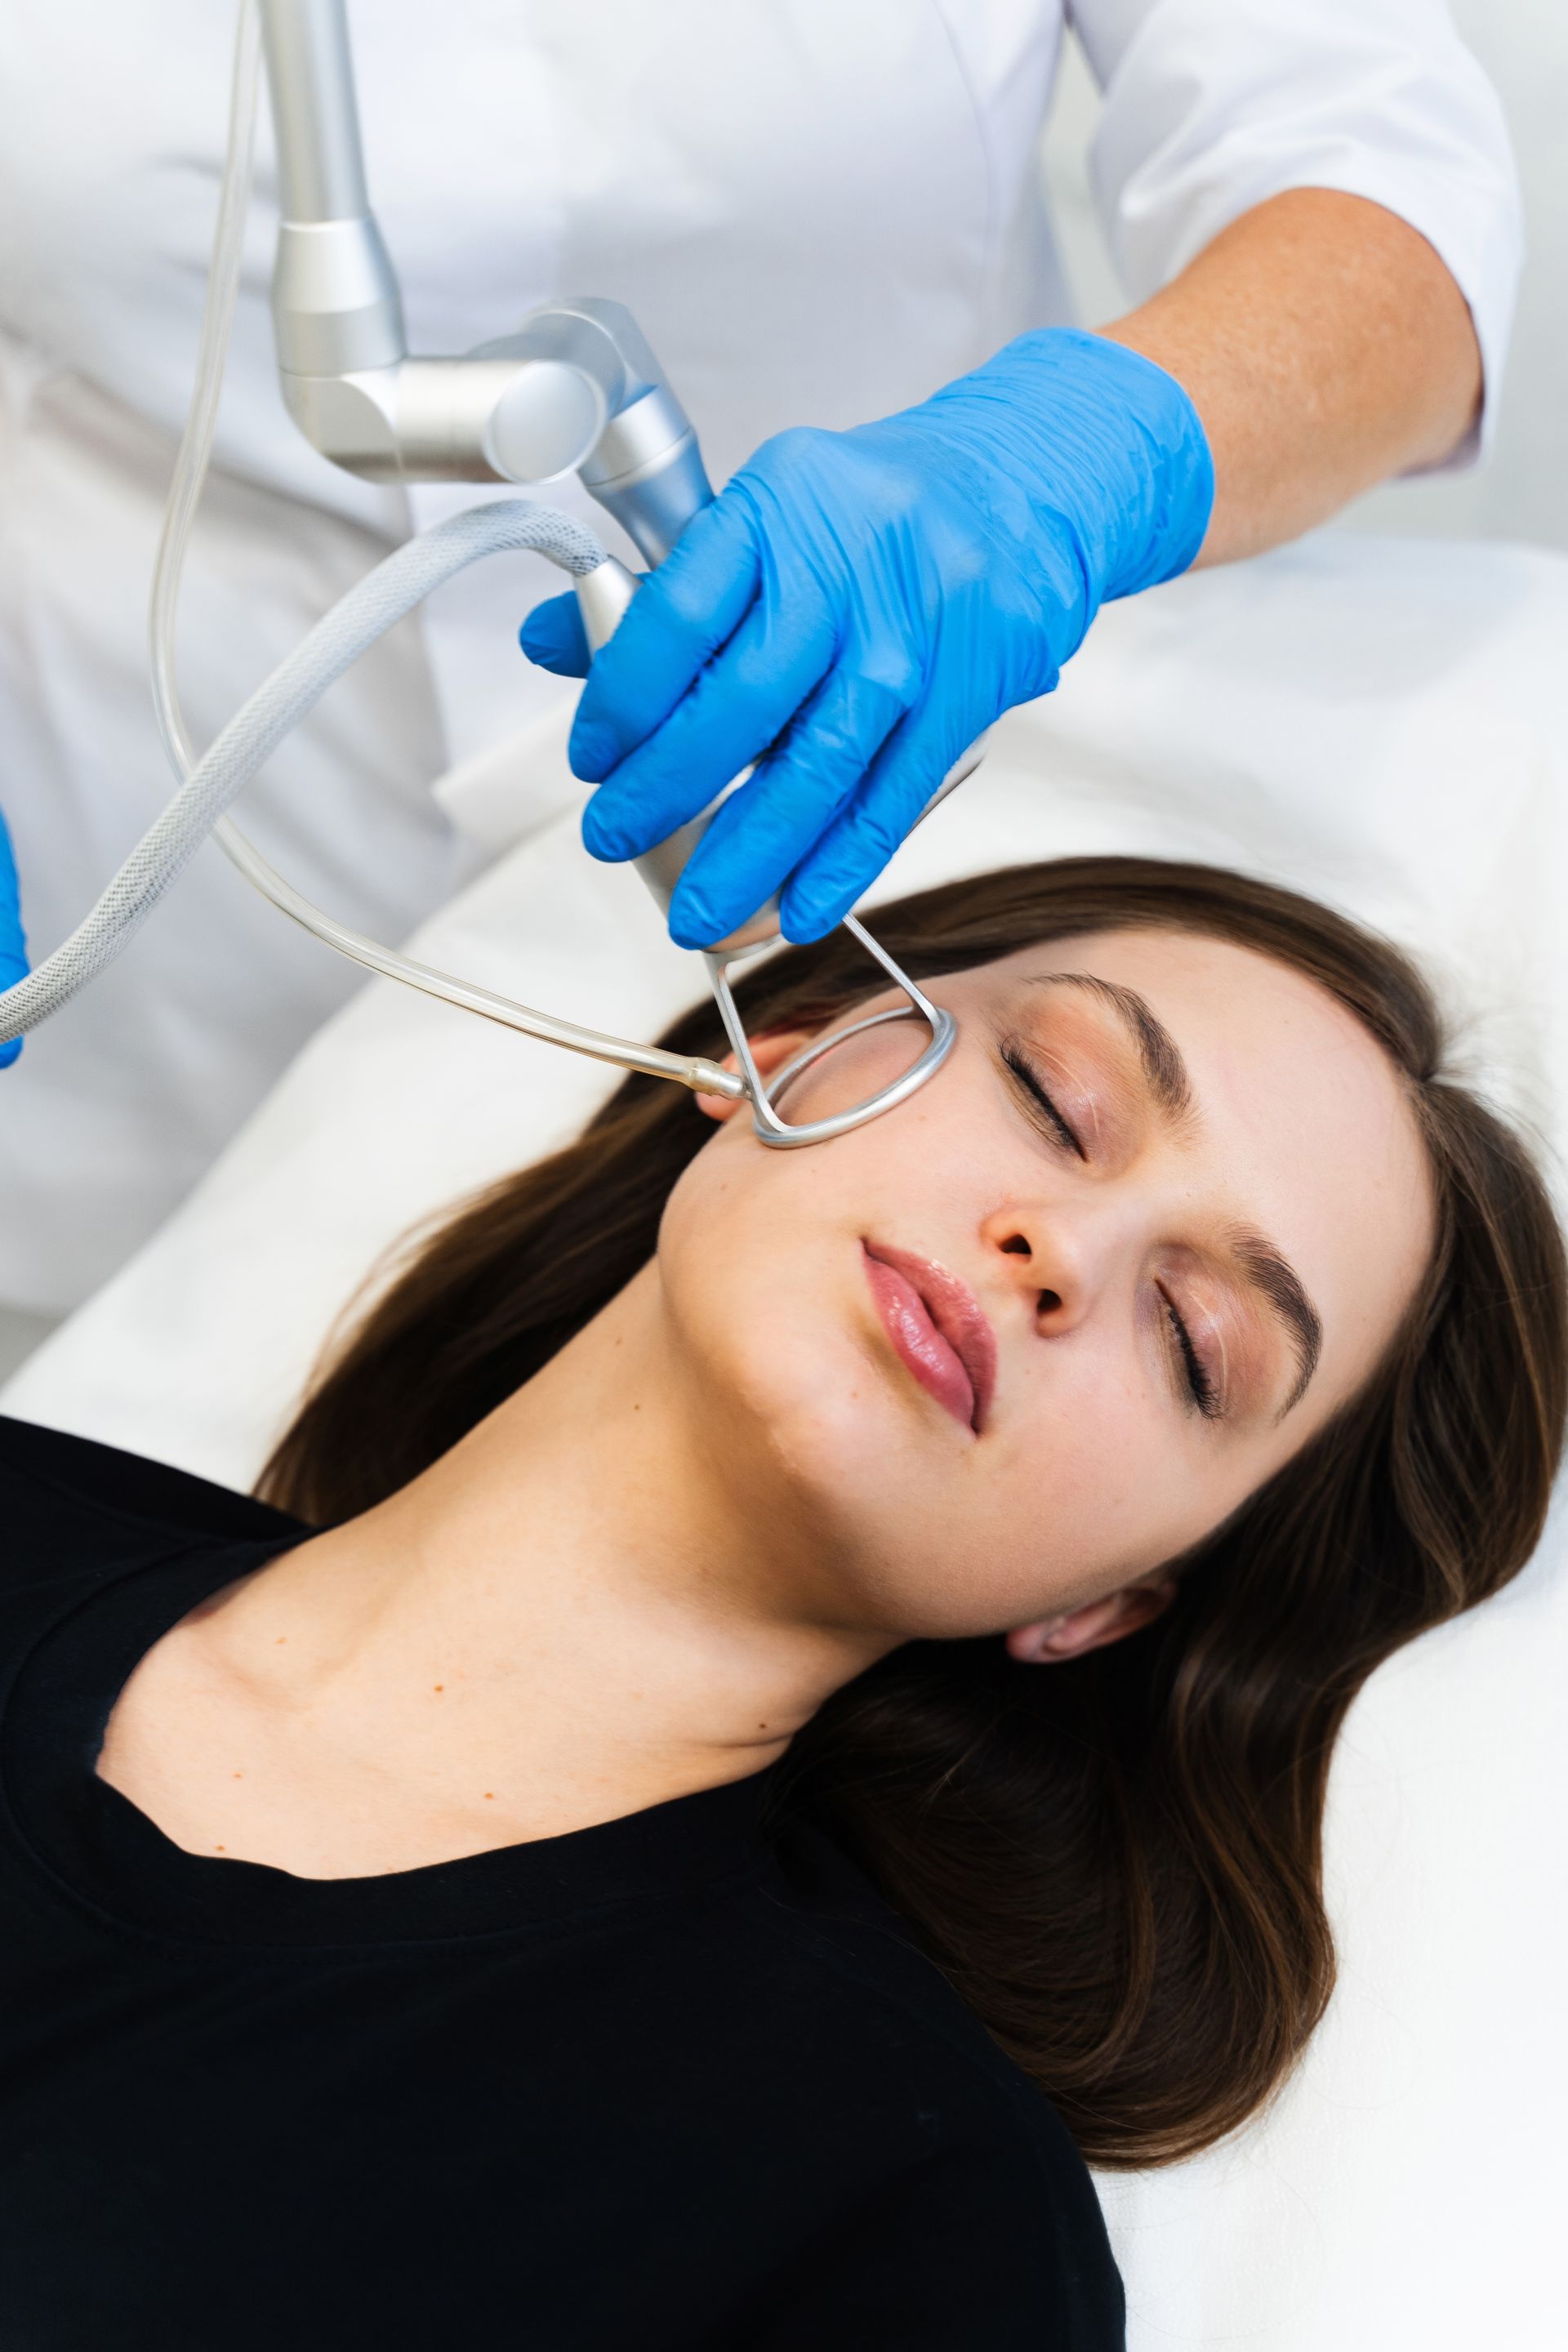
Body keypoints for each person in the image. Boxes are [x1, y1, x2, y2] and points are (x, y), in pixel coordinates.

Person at [0, 856, 1561, 2348]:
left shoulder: (896, 2202)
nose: (1062, 1250)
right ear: (782, 1054)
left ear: (1113, 1605)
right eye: (1051, 1097)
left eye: (1193, 1341)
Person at [0, 1, 1521, 1313]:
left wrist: (1065, 468)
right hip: (140, 883)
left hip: (915, 778)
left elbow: (1388, 183)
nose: (1042, 1262)